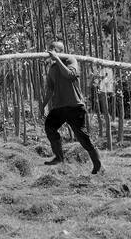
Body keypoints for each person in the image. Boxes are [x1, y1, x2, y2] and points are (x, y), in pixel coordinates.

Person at [41, 40, 103, 175]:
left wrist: (57, 59)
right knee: (50, 127)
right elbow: (50, 90)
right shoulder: (51, 69)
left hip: (75, 106)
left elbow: (70, 75)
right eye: (49, 48)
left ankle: (98, 165)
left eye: (53, 48)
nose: (50, 50)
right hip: (59, 107)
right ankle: (59, 157)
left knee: (82, 136)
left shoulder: (70, 60)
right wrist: (43, 105)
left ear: (61, 50)